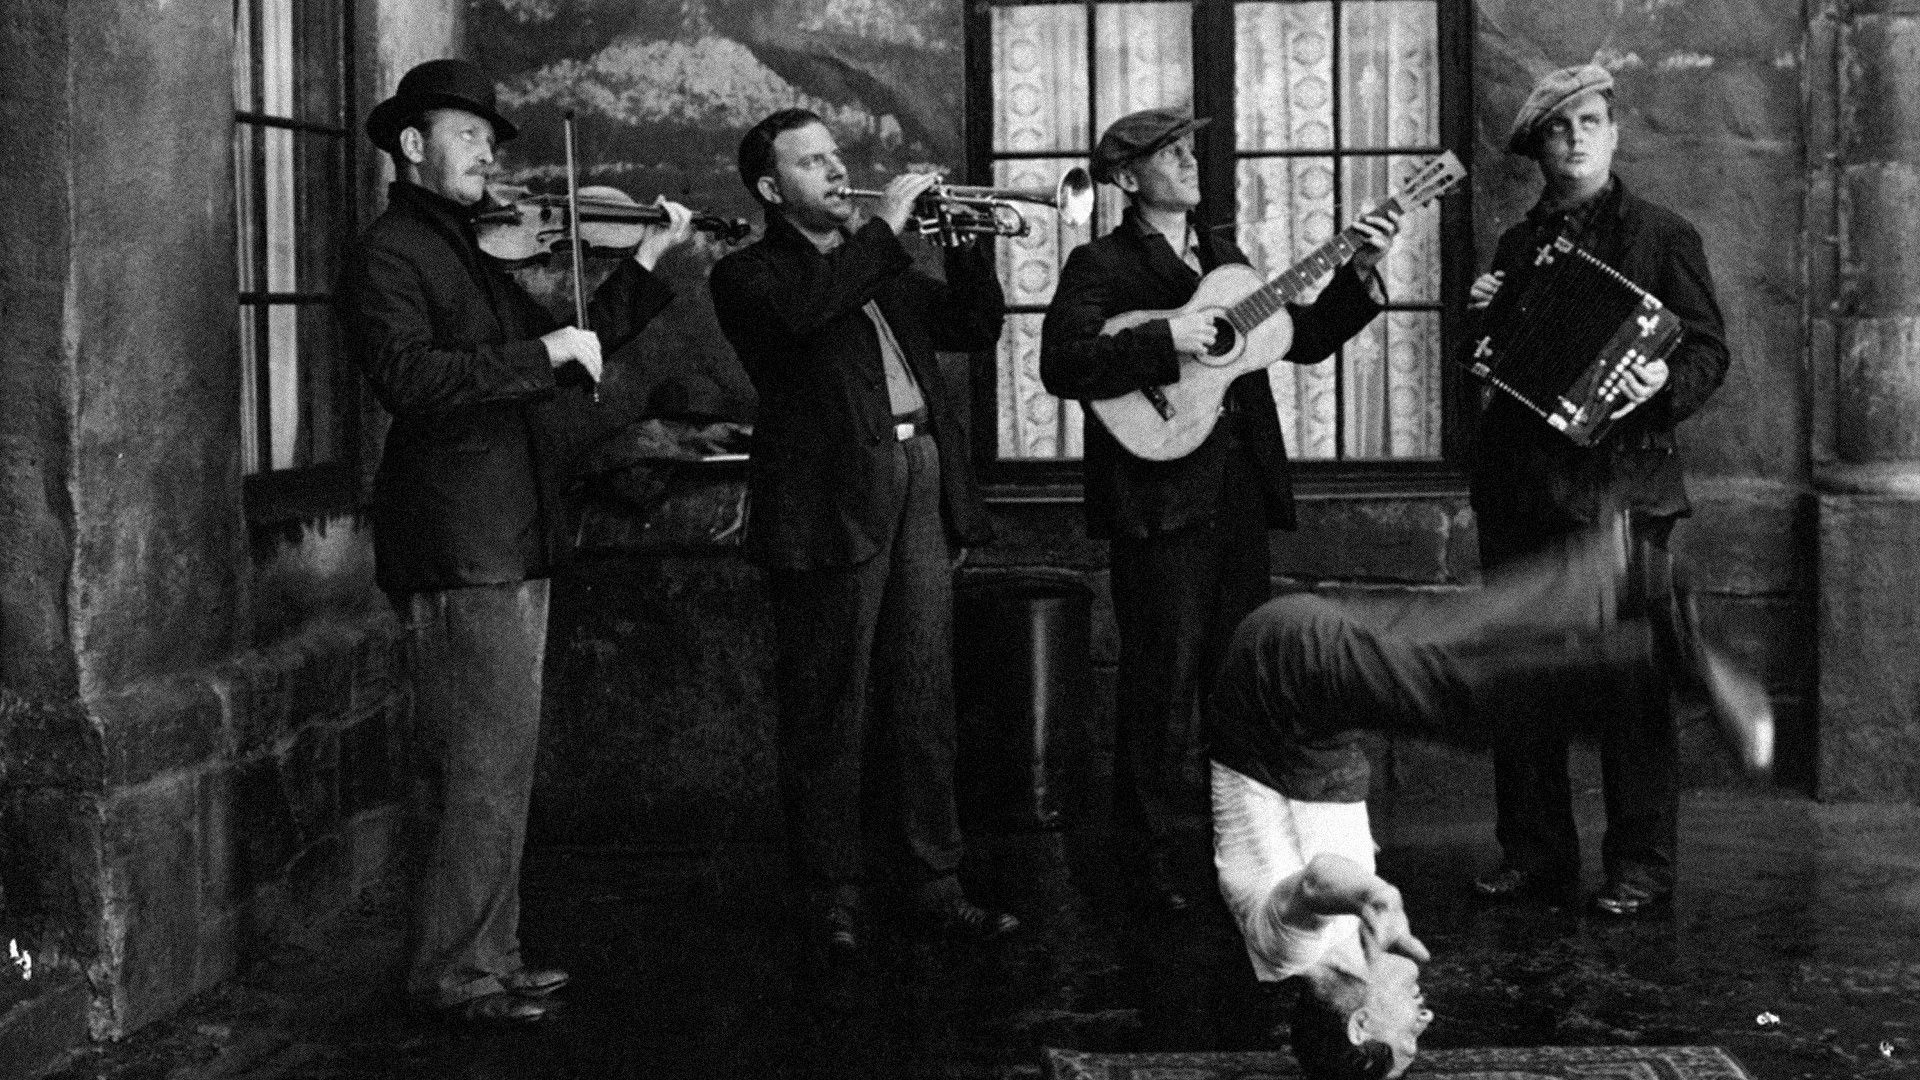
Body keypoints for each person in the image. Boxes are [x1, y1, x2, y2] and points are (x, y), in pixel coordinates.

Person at [338, 59, 694, 1024]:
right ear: (412, 145)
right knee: (475, 769)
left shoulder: (468, 250)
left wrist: (647, 260)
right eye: (469, 135)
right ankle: (456, 973)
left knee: (497, 766)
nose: (488, 154)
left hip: (507, 532)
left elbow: (571, 350)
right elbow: (413, 380)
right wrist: (542, 352)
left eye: (491, 140)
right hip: (461, 540)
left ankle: (491, 954)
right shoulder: (390, 255)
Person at [1208, 515, 1770, 1079]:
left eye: (1406, 1038)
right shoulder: (1347, 947)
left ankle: (1663, 661)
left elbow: (1315, 882)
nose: (1425, 1021)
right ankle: (1616, 565)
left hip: (1276, 687)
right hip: (1297, 700)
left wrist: (1377, 899)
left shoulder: (1289, 955)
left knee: (1451, 688)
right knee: (1448, 640)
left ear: (1359, 1026)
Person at [1039, 106, 1400, 912]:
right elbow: (1062, 363)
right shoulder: (1101, 263)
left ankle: (1234, 853)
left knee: (1236, 685)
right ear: (1127, 178)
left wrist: (1359, 271)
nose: (1189, 162)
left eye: (1190, 150)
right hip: (1159, 498)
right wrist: (1168, 340)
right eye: (1169, 153)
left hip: (1237, 495)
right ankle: (1144, 864)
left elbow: (1301, 338)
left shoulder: (1226, 259)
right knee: (1160, 685)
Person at [708, 109, 1017, 956]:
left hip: (917, 477)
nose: (839, 172)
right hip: (830, 498)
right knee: (830, 705)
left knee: (923, 695)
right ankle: (830, 896)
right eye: (813, 163)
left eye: (837, 156)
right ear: (771, 189)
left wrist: (963, 244)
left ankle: (934, 884)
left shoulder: (874, 267)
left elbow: (973, 327)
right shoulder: (751, 275)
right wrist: (885, 229)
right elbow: (807, 313)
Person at [1466, 64, 1732, 917]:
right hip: (1522, 491)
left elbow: (1708, 350)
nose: (1575, 139)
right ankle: (1536, 854)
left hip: (1621, 490)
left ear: (1614, 135)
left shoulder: (1662, 236)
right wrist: (1482, 320)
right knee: (1524, 680)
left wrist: (1661, 384)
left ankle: (1641, 867)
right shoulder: (1515, 250)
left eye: (1590, 123)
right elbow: (1494, 365)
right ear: (1538, 149)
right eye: (1559, 128)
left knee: (1629, 683)